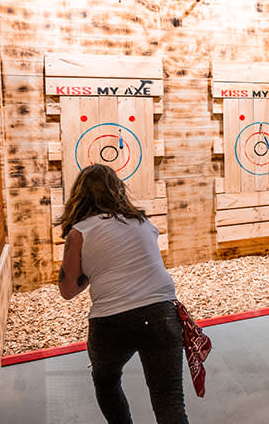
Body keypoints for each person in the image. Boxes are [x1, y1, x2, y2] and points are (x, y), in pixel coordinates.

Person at [56, 164, 188, 424]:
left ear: (79, 195)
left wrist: (92, 273)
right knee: (169, 398)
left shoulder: (79, 232)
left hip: (111, 321)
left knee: (106, 381)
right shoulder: (143, 222)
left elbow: (67, 290)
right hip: (161, 313)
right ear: (117, 190)